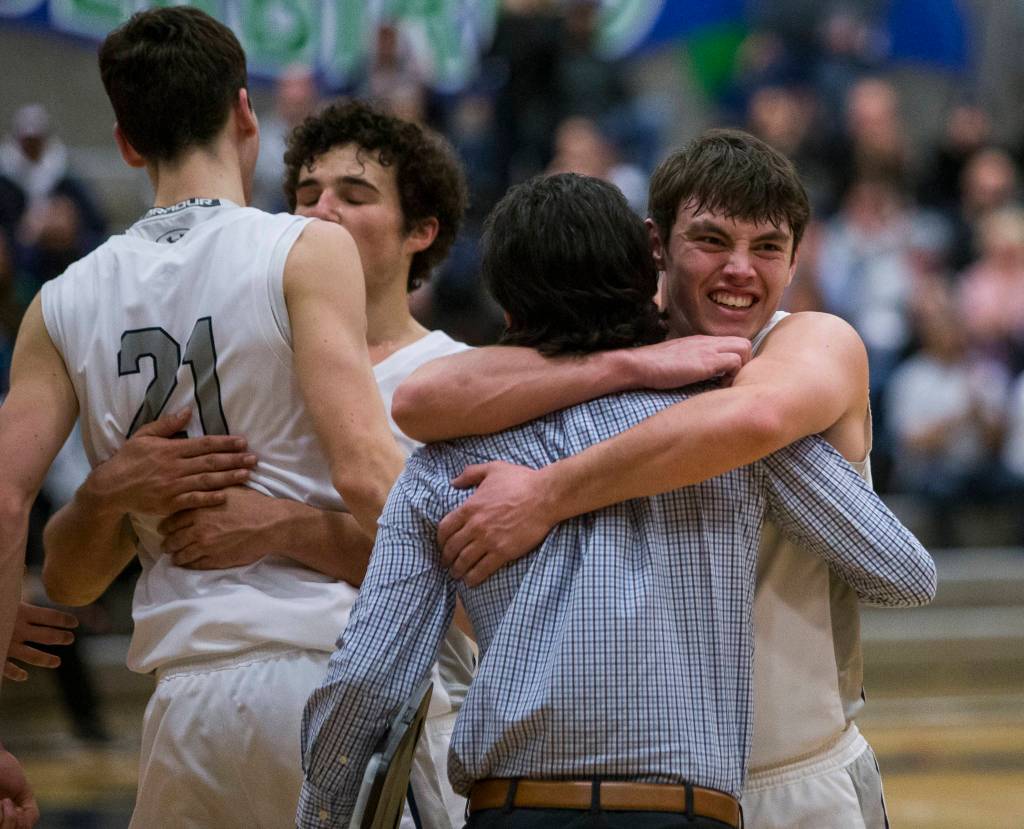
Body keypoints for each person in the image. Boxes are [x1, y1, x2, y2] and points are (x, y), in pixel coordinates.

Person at [298, 172, 936, 829]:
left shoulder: (443, 464)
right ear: (649, 264)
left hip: (517, 807)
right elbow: (903, 572)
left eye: (766, 246)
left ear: (506, 307)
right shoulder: (727, 415)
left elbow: (366, 681)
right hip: (694, 804)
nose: (739, 267)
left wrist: (320, 817)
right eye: (713, 239)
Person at [1, 8, 404, 828]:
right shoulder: (306, 248)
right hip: (317, 676)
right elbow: (367, 473)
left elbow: (9, 500)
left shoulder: (61, 301)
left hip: (184, 701)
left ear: (124, 141)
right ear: (245, 112)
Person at [43, 96, 476, 827]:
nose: (321, 211)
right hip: (219, 695)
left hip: (416, 714)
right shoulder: (241, 360)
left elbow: (463, 576)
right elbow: (77, 572)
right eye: (307, 194)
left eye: (354, 194)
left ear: (421, 231)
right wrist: (109, 495)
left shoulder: (463, 381)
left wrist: (287, 527)